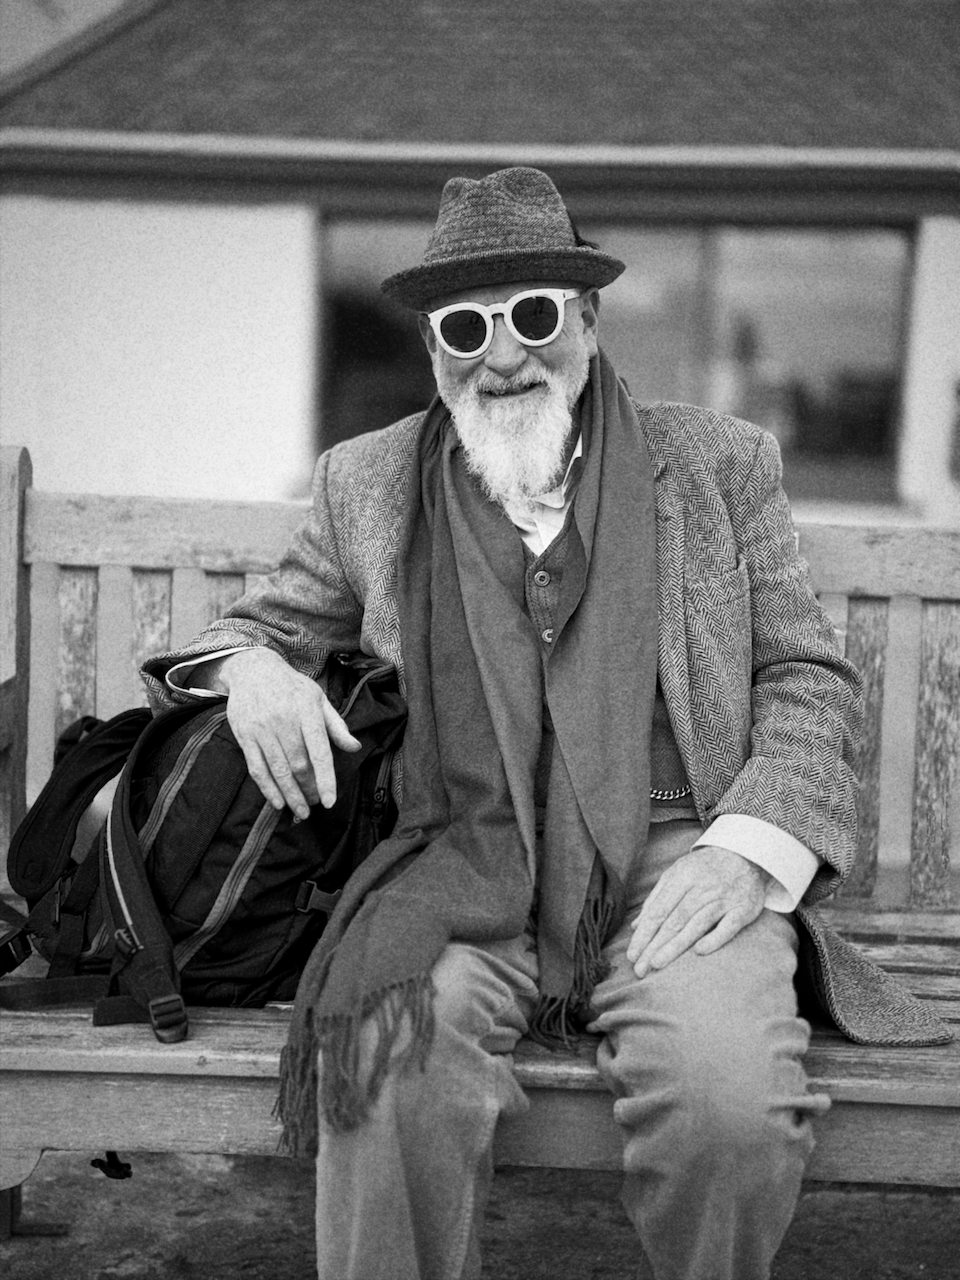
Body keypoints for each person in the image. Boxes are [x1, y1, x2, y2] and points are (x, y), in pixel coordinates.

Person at [143, 166, 947, 1280]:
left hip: (678, 858)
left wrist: (748, 852)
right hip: (460, 858)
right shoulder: (368, 483)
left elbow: (803, 676)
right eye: (465, 327)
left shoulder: (718, 464)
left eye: (531, 315)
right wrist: (253, 673)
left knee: (729, 1111)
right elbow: (253, 628)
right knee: (381, 1066)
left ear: (588, 319)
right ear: (434, 349)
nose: (502, 356)